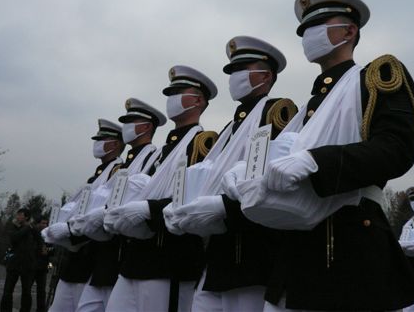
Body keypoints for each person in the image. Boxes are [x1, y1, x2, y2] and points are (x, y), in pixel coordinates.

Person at [260, 0, 414, 311]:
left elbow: (396, 149)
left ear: (349, 31)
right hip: (296, 253)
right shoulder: (309, 105)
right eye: (303, 30)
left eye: (316, 26)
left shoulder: (376, 78)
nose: (307, 36)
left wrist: (316, 161)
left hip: (348, 245)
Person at [169, 36, 296, 312]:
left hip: (254, 255)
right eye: (232, 71)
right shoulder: (230, 128)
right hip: (218, 255)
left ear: (265, 75)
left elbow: (275, 180)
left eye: (241, 69)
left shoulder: (277, 113)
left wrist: (223, 207)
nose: (233, 77)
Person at [105, 65, 218, 312]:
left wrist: (148, 209)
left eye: (178, 92)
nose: (171, 98)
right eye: (170, 93)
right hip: (136, 259)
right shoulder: (161, 153)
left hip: (171, 259)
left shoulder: (204, 143)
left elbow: (197, 197)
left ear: (198, 101)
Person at [72, 98, 166, 312]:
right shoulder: (125, 166)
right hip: (111, 257)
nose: (126, 127)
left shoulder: (155, 157)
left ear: (146, 127)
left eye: (131, 122)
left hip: (132, 252)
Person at [42, 119, 125, 312]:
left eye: (102, 139)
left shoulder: (118, 172)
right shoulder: (96, 176)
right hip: (76, 260)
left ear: (115, 144)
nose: (97, 144)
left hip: (93, 257)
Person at [0, 208, 39, 312]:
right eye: (17, 214)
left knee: (26, 291)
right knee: (8, 290)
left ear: (26, 217)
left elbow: (39, 241)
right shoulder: (13, 227)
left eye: (20, 215)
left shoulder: (33, 229)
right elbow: (14, 238)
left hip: (28, 264)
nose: (18, 217)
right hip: (14, 263)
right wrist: (27, 227)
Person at [33, 216, 50, 312]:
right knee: (27, 289)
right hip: (32, 266)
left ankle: (41, 309)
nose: (45, 225)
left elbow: (51, 250)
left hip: (43, 267)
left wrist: (47, 250)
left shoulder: (48, 236)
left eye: (46, 223)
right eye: (43, 223)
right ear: (37, 223)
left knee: (41, 291)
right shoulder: (33, 234)